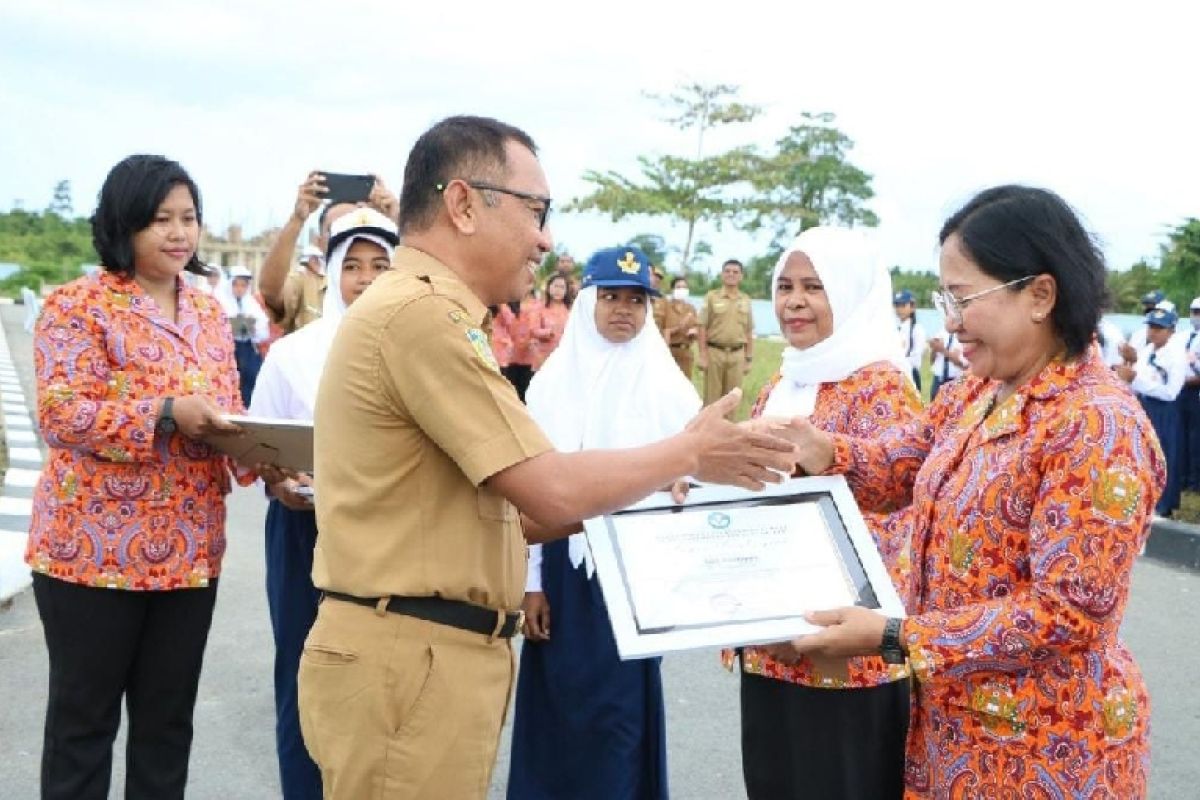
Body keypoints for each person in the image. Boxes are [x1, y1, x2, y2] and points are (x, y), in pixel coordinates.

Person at [297, 115, 796, 800]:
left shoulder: (431, 314)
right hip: (409, 657)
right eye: (537, 211)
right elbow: (551, 492)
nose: (545, 238)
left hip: (423, 653)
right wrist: (688, 452)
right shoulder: (421, 317)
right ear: (465, 204)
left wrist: (663, 489)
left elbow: (514, 515)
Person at [771, 185, 1163, 798]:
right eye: (943, 299)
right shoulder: (975, 393)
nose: (949, 323)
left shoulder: (1094, 423)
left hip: (1047, 748)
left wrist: (896, 637)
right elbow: (899, 466)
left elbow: (1068, 612)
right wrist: (822, 451)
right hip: (953, 730)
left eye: (962, 298)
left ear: (1040, 295)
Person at [25, 154, 258, 799]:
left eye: (188, 218)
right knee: (83, 725)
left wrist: (261, 455)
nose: (179, 233)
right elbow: (61, 413)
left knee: (166, 727)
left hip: (188, 553)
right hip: (91, 555)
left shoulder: (209, 312)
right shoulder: (76, 305)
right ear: (124, 224)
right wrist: (163, 413)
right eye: (161, 220)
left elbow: (225, 409)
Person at [731, 227, 920, 800]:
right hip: (770, 648)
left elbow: (899, 506)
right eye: (785, 285)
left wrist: (805, 619)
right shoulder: (781, 383)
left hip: (846, 653)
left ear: (854, 294)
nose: (794, 301)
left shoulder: (882, 386)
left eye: (815, 286)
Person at [508, 246, 696, 800]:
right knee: (559, 705)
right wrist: (531, 583)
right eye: (611, 296)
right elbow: (529, 494)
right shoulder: (548, 387)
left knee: (620, 717)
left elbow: (698, 474)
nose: (623, 310)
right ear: (588, 298)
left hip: (635, 576)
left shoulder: (669, 387)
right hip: (566, 573)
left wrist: (683, 482)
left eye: (636, 300)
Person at [249, 208, 398, 800]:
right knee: (305, 674)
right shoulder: (295, 354)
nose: (365, 279)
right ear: (332, 271)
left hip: (387, 535)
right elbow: (258, 443)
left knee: (382, 680)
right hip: (304, 531)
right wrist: (278, 478)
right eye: (353, 265)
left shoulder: (417, 350)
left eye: (381, 266)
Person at [257, 171, 398, 334]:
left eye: (353, 226)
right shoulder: (306, 282)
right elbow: (270, 291)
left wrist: (396, 221)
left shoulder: (393, 279)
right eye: (334, 229)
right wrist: (297, 219)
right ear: (319, 241)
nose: (347, 237)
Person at [1117, 306, 1185, 517]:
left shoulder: (1176, 355)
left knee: (1162, 454)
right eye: (1151, 327)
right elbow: (1140, 375)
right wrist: (1129, 363)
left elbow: (1170, 392)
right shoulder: (1148, 350)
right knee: (1142, 454)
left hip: (1163, 409)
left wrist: (1135, 378)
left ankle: (1164, 504)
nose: (1153, 332)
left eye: (1159, 328)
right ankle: (1145, 498)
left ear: (1171, 331)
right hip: (1144, 405)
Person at [698, 258, 754, 414]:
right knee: (712, 401)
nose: (731, 275)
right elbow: (701, 326)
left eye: (735, 272)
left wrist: (748, 358)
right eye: (727, 271)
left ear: (741, 276)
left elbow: (749, 331)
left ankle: (728, 435)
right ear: (722, 275)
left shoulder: (745, 300)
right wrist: (703, 355)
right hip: (715, 353)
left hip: (737, 355)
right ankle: (708, 437)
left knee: (732, 400)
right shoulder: (712, 297)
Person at [220, 265, 269, 406]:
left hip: (248, 347)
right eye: (236, 285)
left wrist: (249, 327)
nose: (240, 288)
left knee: (253, 377)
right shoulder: (222, 301)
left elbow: (262, 327)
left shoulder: (251, 303)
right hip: (229, 349)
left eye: (243, 285)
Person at [662, 274, 701, 378]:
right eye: (678, 287)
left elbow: (697, 329)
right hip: (669, 351)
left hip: (686, 352)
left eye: (684, 287)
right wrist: (679, 327)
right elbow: (663, 330)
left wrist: (694, 332)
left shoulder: (691, 308)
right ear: (672, 289)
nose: (682, 290)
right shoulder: (665, 307)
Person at [530, 272, 570, 370]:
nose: (558, 290)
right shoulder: (539, 307)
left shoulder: (570, 309)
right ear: (548, 288)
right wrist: (548, 332)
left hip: (565, 356)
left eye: (562, 287)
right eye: (555, 286)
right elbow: (533, 330)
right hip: (543, 355)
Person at [1180, 298, 1200, 491]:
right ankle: (1183, 478)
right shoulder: (1182, 335)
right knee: (1181, 436)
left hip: (1196, 393)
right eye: (1194, 311)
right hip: (1180, 391)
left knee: (1195, 439)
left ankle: (1195, 482)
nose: (1197, 316)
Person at [893, 289, 926, 391]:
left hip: (910, 374)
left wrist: (898, 362)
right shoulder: (896, 329)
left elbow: (916, 359)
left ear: (912, 307)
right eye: (897, 305)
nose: (899, 309)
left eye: (903, 305)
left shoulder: (917, 329)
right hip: (896, 374)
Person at [927, 324, 966, 400]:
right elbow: (931, 361)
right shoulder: (940, 333)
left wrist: (942, 349)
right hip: (938, 379)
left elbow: (960, 363)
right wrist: (934, 349)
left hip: (954, 379)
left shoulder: (962, 336)